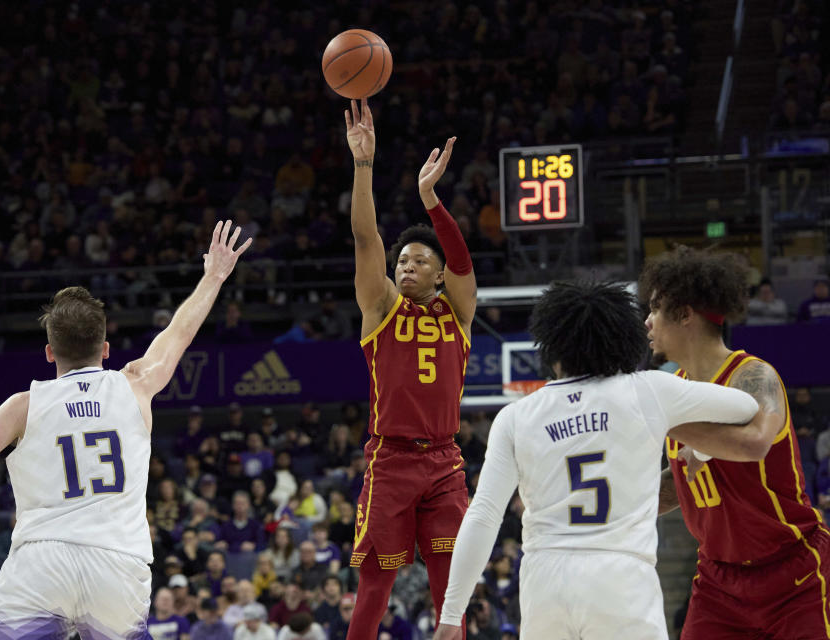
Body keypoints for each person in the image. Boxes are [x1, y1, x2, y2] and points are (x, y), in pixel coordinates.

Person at [0, 221, 251, 639]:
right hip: (117, 566)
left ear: (49, 352)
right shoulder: (137, 385)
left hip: (42, 562)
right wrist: (214, 276)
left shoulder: (23, 406)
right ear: (105, 349)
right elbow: (179, 332)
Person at [435, 281, 765, 640]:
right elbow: (745, 407)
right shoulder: (649, 389)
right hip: (621, 577)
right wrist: (698, 448)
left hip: (545, 580)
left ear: (551, 343)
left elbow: (483, 514)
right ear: (621, 338)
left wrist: (452, 612)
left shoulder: (516, 417)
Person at [642, 247, 830, 639]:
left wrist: (661, 419)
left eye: (656, 309)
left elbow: (754, 444)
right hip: (718, 582)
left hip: (793, 572)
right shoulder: (674, 389)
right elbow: (681, 483)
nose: (647, 321)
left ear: (685, 314)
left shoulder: (753, 375)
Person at [344, 97, 477, 640]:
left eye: (421, 260)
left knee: (452, 589)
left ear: (440, 275)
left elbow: (464, 261)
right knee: (376, 583)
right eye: (403, 261)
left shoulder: (459, 311)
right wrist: (363, 164)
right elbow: (365, 238)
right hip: (392, 459)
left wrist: (430, 199)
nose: (407, 265)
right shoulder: (380, 308)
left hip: (445, 462)